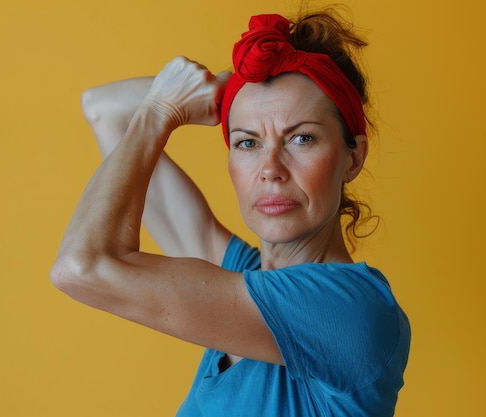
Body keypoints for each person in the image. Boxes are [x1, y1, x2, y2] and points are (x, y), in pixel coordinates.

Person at [51, 10, 410, 417]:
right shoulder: (241, 278)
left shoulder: (350, 310)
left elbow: (80, 268)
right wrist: (230, 86)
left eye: (302, 138)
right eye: (247, 143)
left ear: (352, 157)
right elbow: (102, 110)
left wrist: (161, 113)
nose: (271, 168)